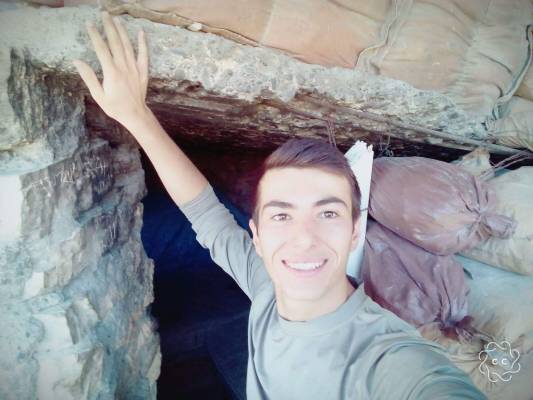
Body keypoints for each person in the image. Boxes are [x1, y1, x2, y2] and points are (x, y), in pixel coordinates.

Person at [73, 12, 487, 399]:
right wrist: (137, 117)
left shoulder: (388, 361)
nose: (303, 239)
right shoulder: (266, 286)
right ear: (256, 235)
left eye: (327, 213)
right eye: (282, 215)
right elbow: (205, 212)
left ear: (354, 232)